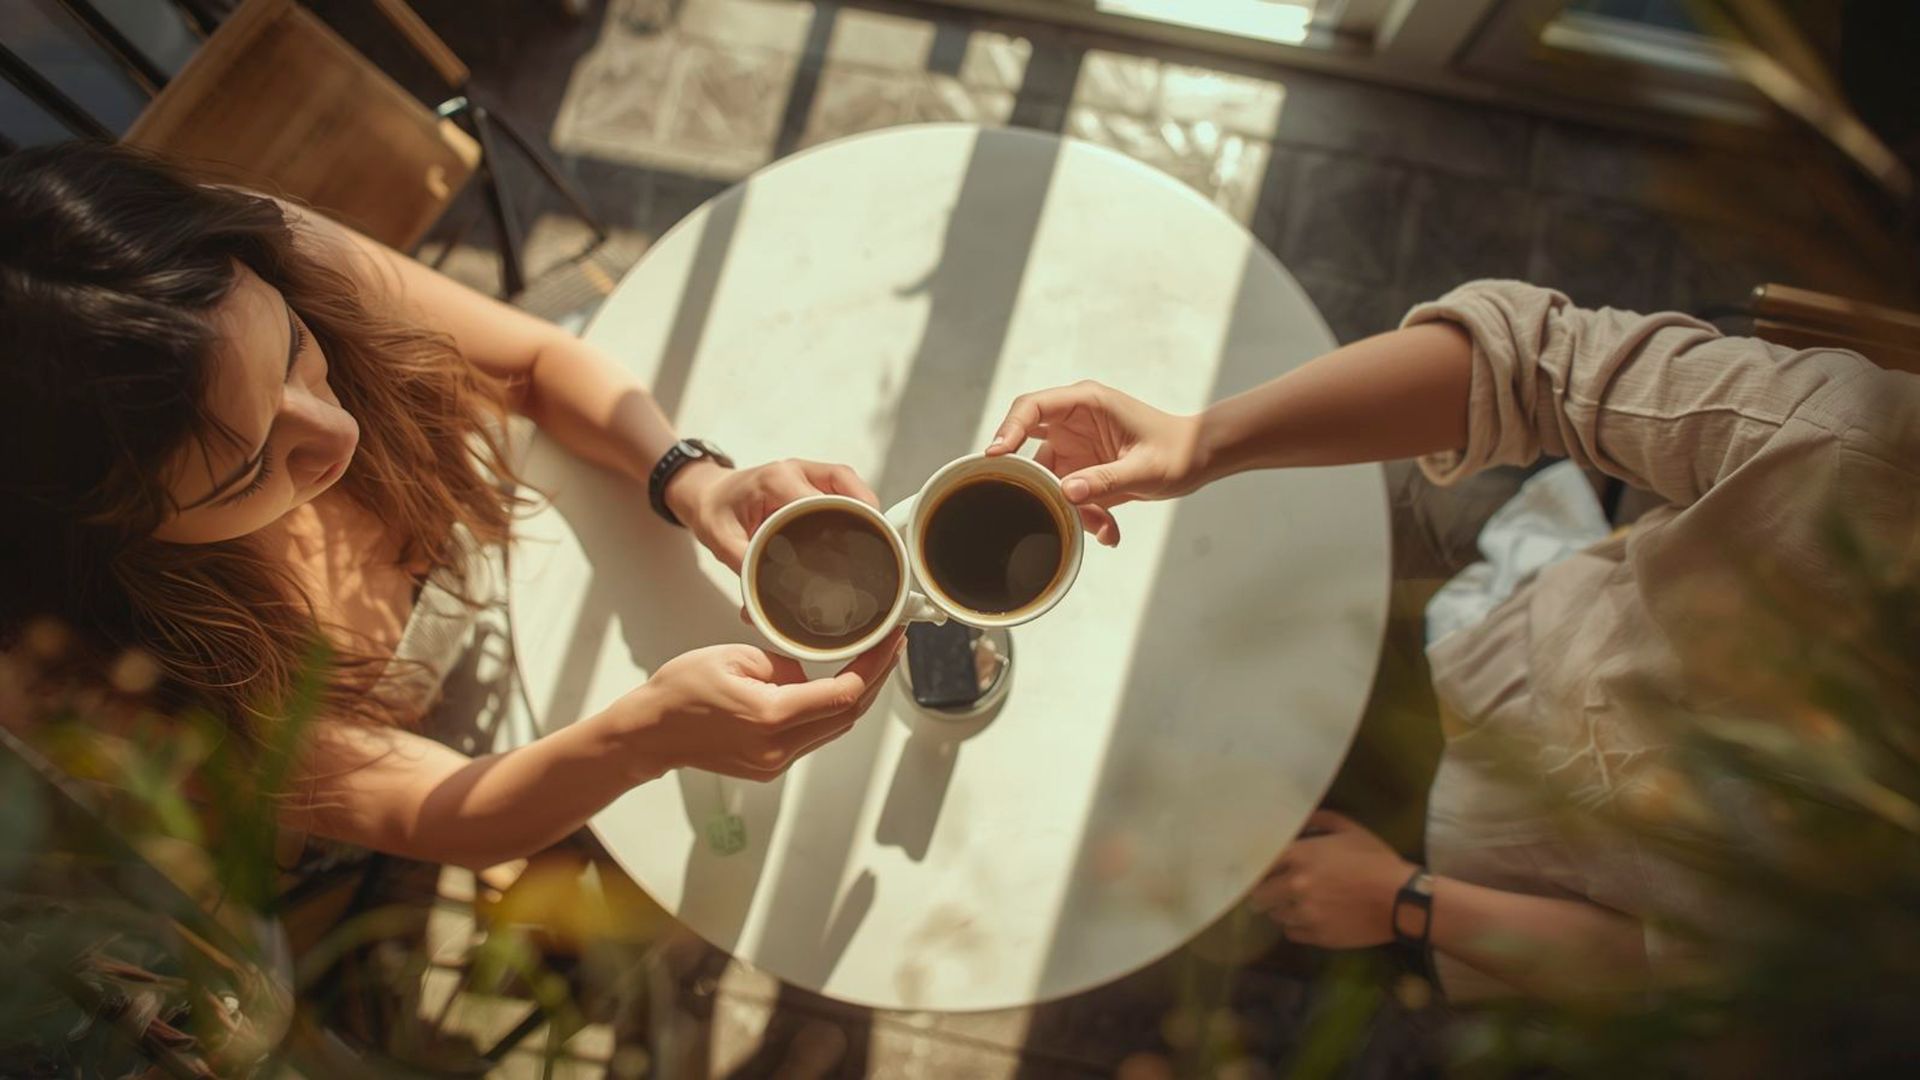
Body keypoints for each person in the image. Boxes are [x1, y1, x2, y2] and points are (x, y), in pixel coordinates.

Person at [986, 279, 1920, 1000]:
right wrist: (1203, 442)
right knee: (1266, 534)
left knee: (1191, 872)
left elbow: (1689, 985)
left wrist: (1403, 901)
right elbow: (1535, 363)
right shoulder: (1878, 462)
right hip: (1508, 620)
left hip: (1480, 875)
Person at [0, 142, 903, 871]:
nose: (336, 432)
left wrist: (690, 476)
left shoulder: (244, 262)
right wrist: (646, 736)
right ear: (114, 530)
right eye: (248, 472)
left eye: (296, 351)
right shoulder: (137, 670)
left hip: (556, 528)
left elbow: (535, 365)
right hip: (502, 762)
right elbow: (436, 815)